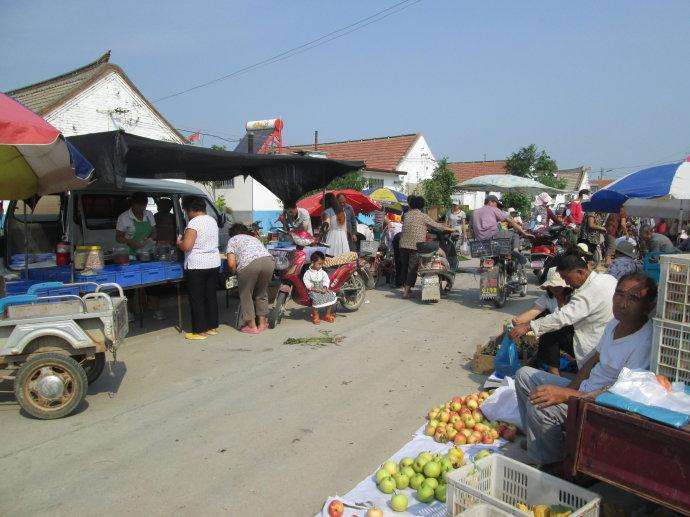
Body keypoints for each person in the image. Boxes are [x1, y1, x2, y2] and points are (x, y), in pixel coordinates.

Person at [515, 272, 656, 467]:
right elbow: (593, 360)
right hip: (583, 392)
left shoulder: (644, 342)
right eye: (619, 294)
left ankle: (554, 465)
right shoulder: (615, 323)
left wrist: (568, 396)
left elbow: (619, 393)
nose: (622, 303)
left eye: (633, 298)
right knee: (524, 376)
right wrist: (571, 389)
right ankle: (537, 442)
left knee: (539, 406)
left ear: (649, 305)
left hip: (600, 406)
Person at [510, 253, 618, 368]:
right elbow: (536, 311)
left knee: (550, 333)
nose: (566, 283)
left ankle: (555, 376)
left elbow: (562, 317)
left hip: (595, 343)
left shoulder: (586, 293)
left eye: (567, 278)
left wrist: (528, 326)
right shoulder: (607, 279)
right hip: (608, 338)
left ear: (580, 272)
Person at [512, 268, 574, 376]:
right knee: (548, 331)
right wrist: (517, 321)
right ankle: (553, 371)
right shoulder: (547, 298)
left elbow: (561, 319)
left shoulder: (574, 298)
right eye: (552, 285)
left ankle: (555, 370)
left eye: (558, 285)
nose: (555, 288)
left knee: (550, 329)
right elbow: (534, 311)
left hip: (577, 335)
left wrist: (528, 326)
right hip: (561, 337)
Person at [177, 196, 221, 340]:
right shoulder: (212, 220)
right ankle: (212, 326)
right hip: (213, 263)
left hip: (197, 265)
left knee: (197, 299)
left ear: (189, 209)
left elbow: (187, 246)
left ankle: (200, 331)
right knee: (210, 296)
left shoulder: (194, 223)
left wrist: (179, 242)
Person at [399, 196, 454, 299]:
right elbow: (436, 225)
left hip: (403, 244)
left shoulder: (406, 215)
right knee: (412, 269)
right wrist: (450, 229)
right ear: (421, 205)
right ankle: (406, 292)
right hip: (415, 246)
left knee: (404, 267)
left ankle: (405, 287)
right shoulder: (423, 216)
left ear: (411, 204)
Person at [226, 223, 275, 334]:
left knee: (246, 295)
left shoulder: (233, 240)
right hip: (268, 261)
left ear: (232, 234)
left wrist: (235, 273)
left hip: (249, 265)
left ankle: (251, 326)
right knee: (261, 293)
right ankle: (262, 324)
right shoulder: (253, 238)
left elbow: (231, 263)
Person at [303, 251, 337, 325]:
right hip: (313, 290)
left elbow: (326, 280)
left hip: (323, 289)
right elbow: (308, 284)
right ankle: (316, 315)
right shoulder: (308, 273)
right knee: (316, 298)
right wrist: (316, 289)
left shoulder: (323, 272)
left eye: (322, 264)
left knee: (331, 295)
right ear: (312, 262)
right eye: (319, 264)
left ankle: (327, 314)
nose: (320, 266)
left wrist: (325, 287)